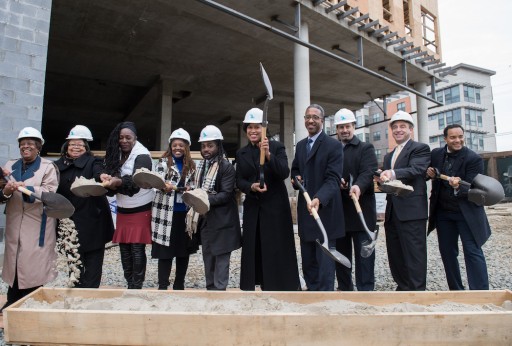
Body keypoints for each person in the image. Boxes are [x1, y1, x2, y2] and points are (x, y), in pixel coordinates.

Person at [236, 108, 300, 291]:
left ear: (264, 129)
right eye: (249, 127)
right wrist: (251, 187)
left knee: (275, 247)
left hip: (275, 208)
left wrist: (269, 155)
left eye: (257, 127)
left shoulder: (277, 147)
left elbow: (283, 172)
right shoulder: (242, 154)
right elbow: (239, 179)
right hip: (253, 207)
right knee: (254, 247)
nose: (253, 131)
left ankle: (279, 285)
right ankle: (253, 283)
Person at [0, 127, 59, 312]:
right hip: (15, 221)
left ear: (38, 147)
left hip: (37, 223)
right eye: (22, 144)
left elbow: (50, 193)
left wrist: (28, 188)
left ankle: (31, 302)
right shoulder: (10, 165)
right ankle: (12, 300)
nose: (26, 147)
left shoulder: (48, 167)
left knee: (33, 264)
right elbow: (2, 193)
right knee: (14, 262)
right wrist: (7, 191)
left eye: (30, 144)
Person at [426, 124, 490, 290]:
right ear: (445, 139)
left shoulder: (473, 159)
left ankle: (480, 291)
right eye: (453, 137)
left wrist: (457, 186)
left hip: (466, 212)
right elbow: (429, 173)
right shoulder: (436, 154)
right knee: (448, 253)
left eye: (460, 136)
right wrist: (429, 173)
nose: (458, 140)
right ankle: (456, 290)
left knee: (472, 251)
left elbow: (474, 188)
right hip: (443, 213)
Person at [291, 104, 344, 291]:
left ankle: (325, 299)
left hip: (325, 213)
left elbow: (333, 179)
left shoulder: (333, 146)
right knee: (308, 261)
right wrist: (295, 178)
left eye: (315, 117)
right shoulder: (301, 146)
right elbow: (296, 169)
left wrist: (319, 198)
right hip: (306, 213)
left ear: (322, 120)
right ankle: (311, 295)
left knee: (325, 264)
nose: (310, 120)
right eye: (307, 117)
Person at [55, 125, 114, 288]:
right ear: (66, 146)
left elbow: (99, 172)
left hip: (93, 220)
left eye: (80, 144)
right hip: (69, 223)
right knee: (74, 264)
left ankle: (91, 295)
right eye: (72, 144)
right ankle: (76, 296)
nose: (76, 147)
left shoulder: (93, 161)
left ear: (86, 147)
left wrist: (102, 176)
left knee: (93, 264)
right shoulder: (57, 166)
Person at [377, 111, 431, 291]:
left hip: (412, 211)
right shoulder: (389, 156)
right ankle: (403, 286)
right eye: (395, 127)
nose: (398, 130)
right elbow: (391, 182)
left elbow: (416, 169)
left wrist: (392, 173)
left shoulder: (419, 148)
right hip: (393, 212)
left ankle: (416, 290)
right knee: (396, 253)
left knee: (414, 254)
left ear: (411, 129)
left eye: (402, 126)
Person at [100, 121, 154, 289]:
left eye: (128, 137)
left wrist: (117, 181)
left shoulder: (143, 155)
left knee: (137, 247)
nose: (124, 140)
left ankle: (137, 285)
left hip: (140, 207)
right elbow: (112, 172)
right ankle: (129, 281)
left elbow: (137, 181)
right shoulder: (116, 153)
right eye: (121, 137)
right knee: (124, 247)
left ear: (135, 138)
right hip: (123, 209)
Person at [334, 108, 378, 291]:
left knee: (364, 258)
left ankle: (365, 291)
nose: (344, 130)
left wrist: (358, 185)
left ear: (354, 126)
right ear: (336, 129)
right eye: (341, 127)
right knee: (342, 258)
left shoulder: (365, 148)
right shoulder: (333, 149)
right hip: (339, 213)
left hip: (362, 213)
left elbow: (368, 172)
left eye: (347, 126)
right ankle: (345, 290)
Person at [194, 125, 241, 290]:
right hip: (206, 220)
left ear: (218, 146)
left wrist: (201, 198)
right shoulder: (201, 167)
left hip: (223, 221)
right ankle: (210, 290)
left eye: (210, 145)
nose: (206, 149)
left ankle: (220, 293)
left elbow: (226, 194)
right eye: (203, 146)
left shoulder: (225, 167)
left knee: (221, 258)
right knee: (208, 255)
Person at [151, 128, 197, 290]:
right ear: (170, 147)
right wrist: (165, 186)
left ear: (187, 147)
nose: (177, 148)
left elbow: (194, 186)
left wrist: (191, 189)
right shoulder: (163, 163)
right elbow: (156, 184)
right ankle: (163, 285)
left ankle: (179, 284)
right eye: (174, 145)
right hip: (165, 214)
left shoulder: (191, 166)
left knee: (183, 252)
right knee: (165, 251)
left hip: (183, 215)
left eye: (181, 145)